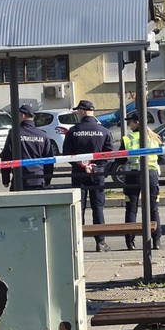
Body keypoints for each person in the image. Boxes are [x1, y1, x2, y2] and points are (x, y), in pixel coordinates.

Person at [62, 99, 114, 252]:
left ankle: (79, 242)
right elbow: (109, 153)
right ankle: (101, 242)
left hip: (79, 174)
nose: (78, 113)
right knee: (98, 208)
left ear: (83, 111)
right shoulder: (104, 131)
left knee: (80, 208)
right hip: (97, 174)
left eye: (78, 110)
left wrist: (82, 165)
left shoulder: (73, 131)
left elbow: (67, 154)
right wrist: (96, 165)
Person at [121, 111, 162, 251]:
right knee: (153, 208)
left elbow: (119, 159)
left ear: (136, 123)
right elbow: (159, 157)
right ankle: (156, 241)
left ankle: (130, 242)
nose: (129, 124)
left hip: (133, 175)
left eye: (130, 122)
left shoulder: (128, 138)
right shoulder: (154, 137)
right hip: (151, 175)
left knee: (131, 208)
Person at [0, 103, 57, 190]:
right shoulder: (43, 135)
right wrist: (47, 180)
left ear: (22, 115)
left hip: (19, 180)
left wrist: (5, 179)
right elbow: (49, 160)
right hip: (38, 179)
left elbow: (6, 156)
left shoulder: (14, 133)